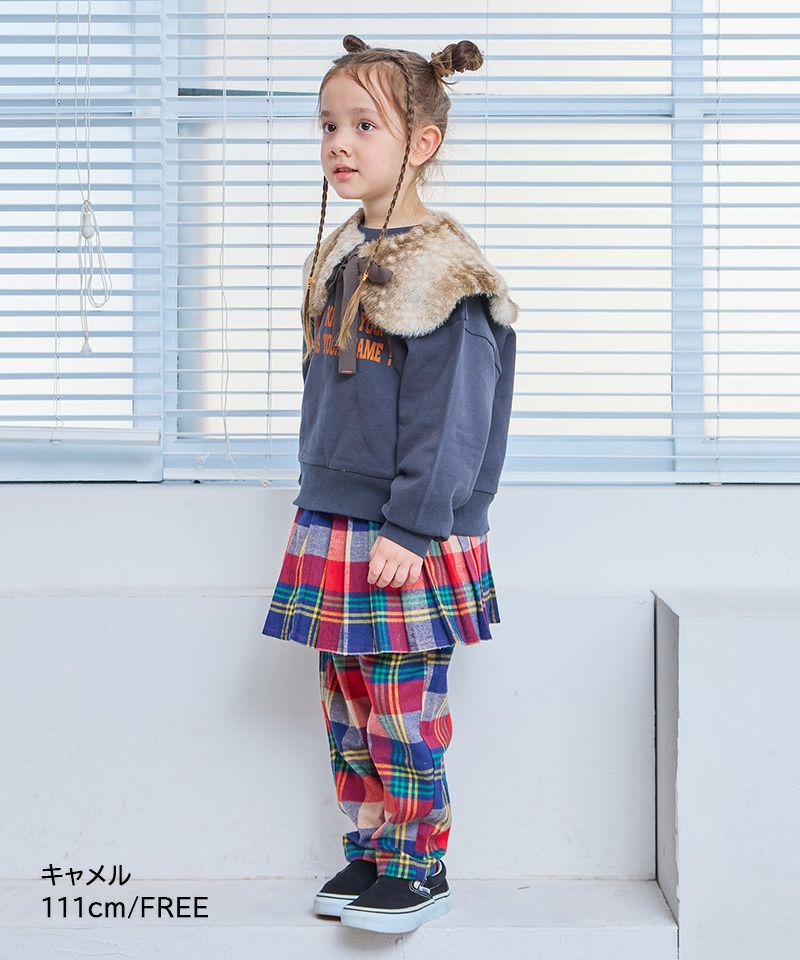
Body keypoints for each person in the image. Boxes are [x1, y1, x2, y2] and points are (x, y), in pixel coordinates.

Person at [261, 33, 518, 935]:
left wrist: (414, 525)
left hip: (404, 527)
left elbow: (456, 418)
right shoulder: (343, 255)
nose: (339, 141)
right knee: (348, 702)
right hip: (334, 517)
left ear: (423, 142)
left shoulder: (443, 272)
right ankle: (371, 848)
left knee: (403, 707)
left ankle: (419, 863)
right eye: (328, 124)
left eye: (365, 124)